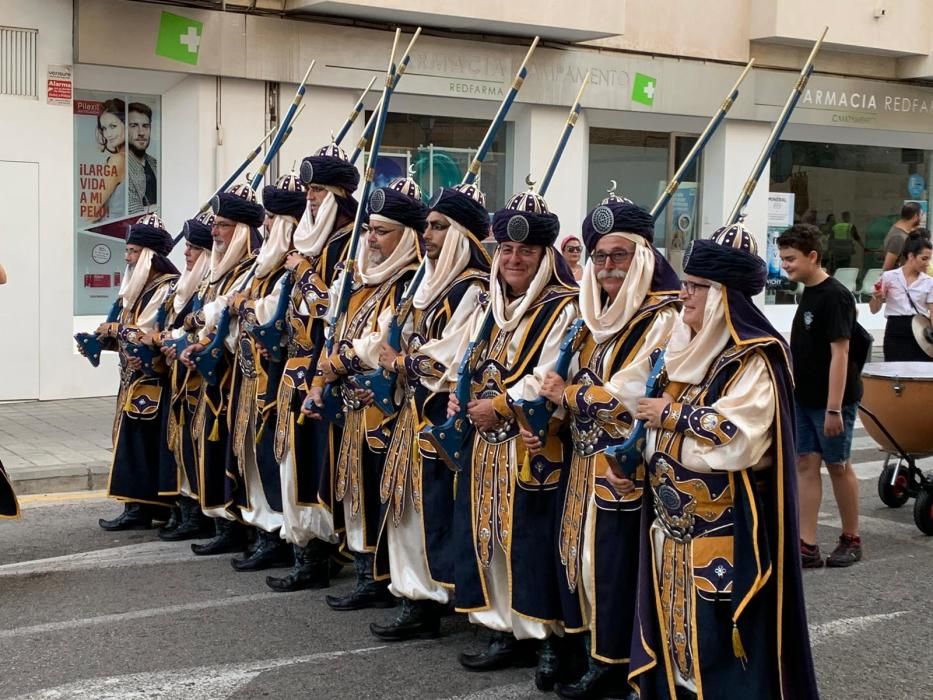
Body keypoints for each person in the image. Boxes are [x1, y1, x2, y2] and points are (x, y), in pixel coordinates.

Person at [629, 223, 818, 699]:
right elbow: (639, 406)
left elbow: (740, 439)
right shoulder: (680, 347)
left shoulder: (755, 357)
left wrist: (673, 415)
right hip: (670, 525)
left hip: (722, 528)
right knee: (675, 632)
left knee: (721, 642)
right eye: (686, 283)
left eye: (696, 288)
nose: (684, 295)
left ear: (722, 296)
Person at [527, 195, 680, 699]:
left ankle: (613, 661)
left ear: (642, 257)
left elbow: (631, 395)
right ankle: (584, 646)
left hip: (624, 464)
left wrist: (567, 395)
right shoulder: (587, 315)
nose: (608, 267)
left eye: (619, 256)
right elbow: (552, 377)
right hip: (579, 456)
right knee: (576, 554)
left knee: (613, 563)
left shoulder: (663, 315)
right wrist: (542, 417)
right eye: (599, 256)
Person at [448, 187, 579, 690]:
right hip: (485, 444)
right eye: (506, 249)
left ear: (545, 255)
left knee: (531, 539)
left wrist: (497, 404)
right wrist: (462, 397)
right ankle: (501, 625)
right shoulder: (492, 303)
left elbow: (548, 375)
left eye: (526, 250)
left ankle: (545, 638)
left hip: (532, 444)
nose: (515, 258)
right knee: (490, 532)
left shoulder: (561, 308)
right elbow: (471, 358)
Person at [369, 183, 491, 641]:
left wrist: (400, 361)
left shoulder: (472, 290)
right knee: (402, 506)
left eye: (439, 227)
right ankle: (411, 594)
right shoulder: (422, 284)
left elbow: (450, 357)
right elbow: (388, 339)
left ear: (461, 234)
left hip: (440, 417)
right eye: (427, 227)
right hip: (409, 413)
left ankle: (430, 598)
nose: (428, 235)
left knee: (433, 510)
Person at [312, 176, 426, 611]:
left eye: (382, 231)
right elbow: (338, 331)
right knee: (353, 491)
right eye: (369, 229)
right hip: (353, 407)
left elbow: (381, 345)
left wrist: (339, 362)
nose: (372, 239)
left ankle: (384, 579)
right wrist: (325, 374)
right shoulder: (360, 281)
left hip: (387, 411)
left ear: (405, 236)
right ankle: (366, 573)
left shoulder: (408, 282)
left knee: (385, 498)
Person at [265, 143, 360, 593]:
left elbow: (331, 308)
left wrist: (303, 272)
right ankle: (307, 551)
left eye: (319, 190)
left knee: (315, 466)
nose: (311, 199)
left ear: (339, 196)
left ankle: (320, 554)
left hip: (323, 372)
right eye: (308, 190)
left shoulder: (351, 245)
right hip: (295, 367)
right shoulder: (313, 244)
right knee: (294, 465)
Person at [222, 172, 308, 572]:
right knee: (252, 456)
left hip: (275, 380)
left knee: (275, 459)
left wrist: (243, 306)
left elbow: (270, 316)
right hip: (248, 375)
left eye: (274, 218)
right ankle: (262, 528)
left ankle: (278, 534)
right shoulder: (264, 266)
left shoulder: (290, 269)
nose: (267, 225)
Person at [179, 184, 264, 555]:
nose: (215, 232)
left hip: (236, 376)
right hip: (212, 379)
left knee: (235, 453)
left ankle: (238, 528)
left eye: (224, 225)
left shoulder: (251, 268)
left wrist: (205, 337)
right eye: (214, 224)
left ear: (242, 230)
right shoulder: (220, 272)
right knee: (212, 449)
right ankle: (222, 524)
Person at [777, 223, 863, 570]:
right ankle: (807, 544)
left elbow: (841, 354)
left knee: (838, 466)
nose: (785, 265)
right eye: (783, 258)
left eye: (791, 259)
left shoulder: (835, 296)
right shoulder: (808, 292)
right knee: (805, 464)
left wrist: (833, 409)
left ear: (813, 256)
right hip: (803, 397)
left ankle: (851, 538)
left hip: (832, 403)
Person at [97, 214, 180, 530]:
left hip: (154, 379)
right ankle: (135, 506)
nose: (128, 257)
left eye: (133, 252)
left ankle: (144, 508)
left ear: (149, 255)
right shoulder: (134, 287)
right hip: (131, 379)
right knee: (130, 442)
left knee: (144, 446)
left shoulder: (167, 287)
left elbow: (147, 334)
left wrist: (117, 329)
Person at [156, 213, 216, 541]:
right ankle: (185, 507)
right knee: (178, 443)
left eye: (194, 248)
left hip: (199, 380)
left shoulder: (208, 285)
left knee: (198, 445)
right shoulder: (186, 285)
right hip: (178, 377)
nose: (187, 254)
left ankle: (199, 512)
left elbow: (208, 326)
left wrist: (181, 341)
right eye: (187, 247)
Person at [869, 231, 933, 361]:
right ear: (911, 256)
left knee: (920, 372)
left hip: (921, 329)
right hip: (895, 329)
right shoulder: (889, 277)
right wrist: (877, 297)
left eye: (929, 259)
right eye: (924, 258)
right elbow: (874, 310)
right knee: (894, 371)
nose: (927, 263)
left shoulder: (929, 281)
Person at [94, 98, 126, 222]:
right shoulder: (139, 160)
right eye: (104, 128)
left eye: (113, 126)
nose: (108, 134)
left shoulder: (118, 160)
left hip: (111, 231)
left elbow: (91, 211)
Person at [126, 102, 158, 214]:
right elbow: (134, 214)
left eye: (145, 126)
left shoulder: (155, 164)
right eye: (134, 126)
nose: (141, 133)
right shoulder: (120, 167)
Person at [882, 202, 922, 271]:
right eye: (921, 215)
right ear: (915, 216)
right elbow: (887, 267)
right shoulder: (898, 237)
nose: (921, 218)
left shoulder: (900, 230)